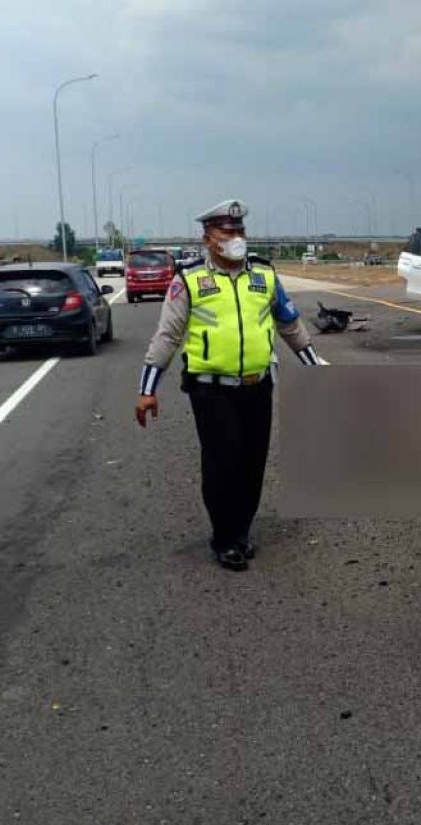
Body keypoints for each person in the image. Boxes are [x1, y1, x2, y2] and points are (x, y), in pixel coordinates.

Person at [134, 199, 325, 571]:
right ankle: (225, 538)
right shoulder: (189, 279)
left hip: (258, 386)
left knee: (252, 464)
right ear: (208, 238)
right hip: (211, 390)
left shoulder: (264, 275)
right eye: (227, 231)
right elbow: (168, 336)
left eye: (240, 231)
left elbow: (289, 325)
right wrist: (147, 389)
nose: (236, 238)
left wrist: (313, 365)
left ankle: (241, 530)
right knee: (222, 464)